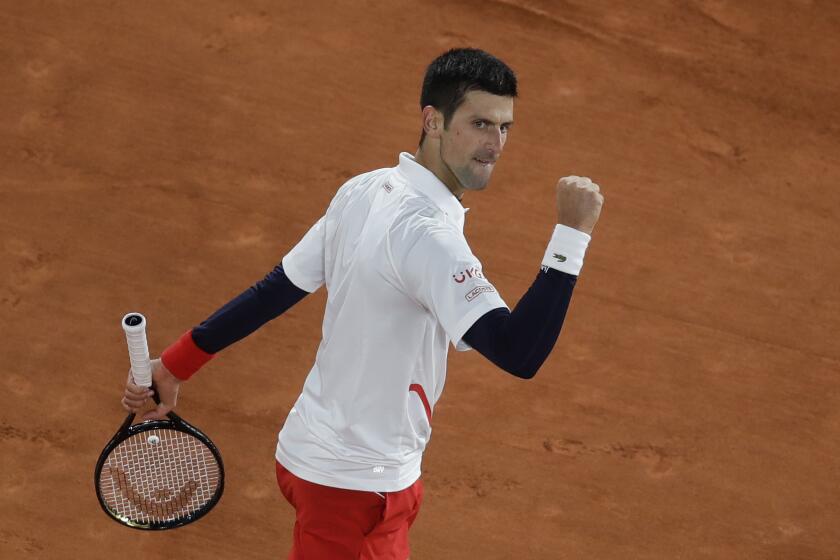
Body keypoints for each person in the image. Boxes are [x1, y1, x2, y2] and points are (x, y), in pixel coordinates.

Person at [121, 47, 603, 559]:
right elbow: (518, 352)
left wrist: (174, 366)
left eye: (504, 127)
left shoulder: (366, 189)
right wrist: (571, 235)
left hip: (332, 463)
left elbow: (280, 287)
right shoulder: (428, 237)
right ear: (432, 121)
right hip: (351, 491)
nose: (495, 144)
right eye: (480, 123)